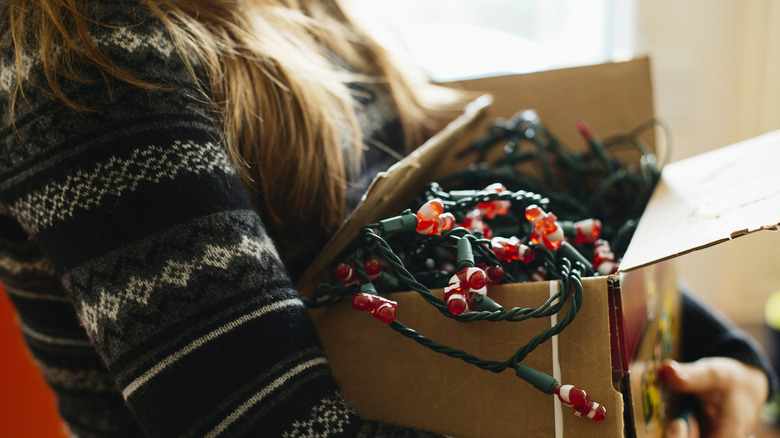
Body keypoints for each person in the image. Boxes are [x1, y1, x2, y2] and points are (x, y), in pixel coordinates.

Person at [0, 1, 774, 437]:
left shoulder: (296, 12)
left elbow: (457, 202)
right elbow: (278, 429)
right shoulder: (89, 65)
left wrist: (719, 357)